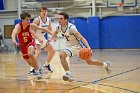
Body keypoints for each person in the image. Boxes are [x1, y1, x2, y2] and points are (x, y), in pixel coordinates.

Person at [51, 12, 112, 81]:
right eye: (58, 18)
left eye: (61, 18)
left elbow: (82, 38)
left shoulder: (71, 28)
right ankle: (68, 73)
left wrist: (88, 48)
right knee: (61, 55)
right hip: (69, 46)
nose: (59, 20)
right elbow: (55, 32)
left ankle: (105, 65)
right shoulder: (59, 27)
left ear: (66, 20)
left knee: (90, 62)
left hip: (78, 47)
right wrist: (53, 37)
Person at [11, 12, 52, 79]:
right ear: (22, 19)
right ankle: (37, 69)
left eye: (29, 19)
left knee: (30, 53)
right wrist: (14, 40)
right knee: (30, 63)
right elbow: (13, 33)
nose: (28, 21)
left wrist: (52, 34)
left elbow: (42, 29)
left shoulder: (30, 25)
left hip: (30, 42)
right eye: (27, 19)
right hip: (22, 45)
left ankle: (37, 71)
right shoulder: (18, 26)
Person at [28, 7, 55, 75]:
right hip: (35, 37)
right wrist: (37, 39)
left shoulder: (48, 20)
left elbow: (50, 29)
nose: (44, 12)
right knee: (38, 52)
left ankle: (46, 65)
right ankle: (32, 69)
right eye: (42, 11)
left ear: (47, 12)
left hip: (42, 38)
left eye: (45, 11)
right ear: (40, 12)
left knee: (52, 51)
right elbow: (31, 31)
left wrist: (52, 37)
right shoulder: (37, 20)